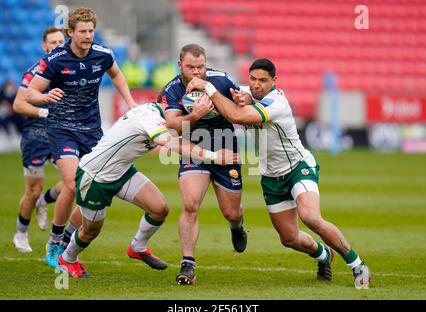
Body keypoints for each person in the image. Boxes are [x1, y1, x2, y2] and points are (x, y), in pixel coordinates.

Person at [187, 58, 372, 289]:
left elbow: (238, 116)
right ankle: (324, 256)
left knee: (311, 217)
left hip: (298, 167)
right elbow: (224, 81)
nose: (256, 85)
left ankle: (357, 264)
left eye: (263, 81)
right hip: (271, 176)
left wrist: (208, 88)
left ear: (274, 81)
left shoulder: (277, 103)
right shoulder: (247, 91)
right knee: (289, 238)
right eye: (253, 79)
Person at [58, 96, 238, 278]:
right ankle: (68, 259)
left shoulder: (166, 117)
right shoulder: (150, 116)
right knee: (90, 231)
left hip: (122, 171)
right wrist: (213, 156)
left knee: (159, 209)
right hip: (96, 176)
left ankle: (137, 247)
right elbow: (170, 142)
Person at [26, 7, 137, 267]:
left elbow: (117, 73)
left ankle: (65, 238)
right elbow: (30, 93)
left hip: (92, 131)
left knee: (93, 188)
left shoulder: (102, 54)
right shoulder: (56, 59)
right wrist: (45, 97)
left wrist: (130, 102)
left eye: (91, 31)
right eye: (82, 31)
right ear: (70, 33)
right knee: (73, 185)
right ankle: (54, 242)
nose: (88, 36)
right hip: (61, 129)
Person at [162, 44, 247, 285]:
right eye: (191, 67)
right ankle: (188, 263)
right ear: (180, 66)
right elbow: (172, 125)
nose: (197, 72)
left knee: (231, 211)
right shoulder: (172, 88)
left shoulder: (219, 80)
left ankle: (237, 225)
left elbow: (243, 101)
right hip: (194, 150)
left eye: (201, 67)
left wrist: (243, 98)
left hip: (225, 147)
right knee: (190, 204)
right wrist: (195, 116)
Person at [11, 26, 65, 253]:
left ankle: (45, 201)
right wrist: (45, 112)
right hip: (37, 134)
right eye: (53, 43)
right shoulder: (36, 72)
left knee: (78, 180)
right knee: (32, 190)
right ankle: (21, 233)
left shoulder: (69, 69)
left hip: (62, 132)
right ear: (45, 47)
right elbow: (18, 104)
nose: (57, 46)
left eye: (61, 42)